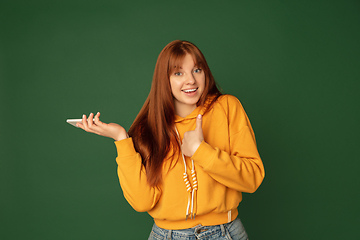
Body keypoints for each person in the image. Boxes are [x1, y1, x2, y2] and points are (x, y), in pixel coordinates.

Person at [77, 40, 265, 240]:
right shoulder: (148, 127)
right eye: (178, 73)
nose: (191, 80)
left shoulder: (227, 108)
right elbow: (143, 202)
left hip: (224, 232)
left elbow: (252, 179)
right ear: (164, 79)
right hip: (166, 235)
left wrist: (201, 151)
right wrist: (122, 139)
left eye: (197, 70)